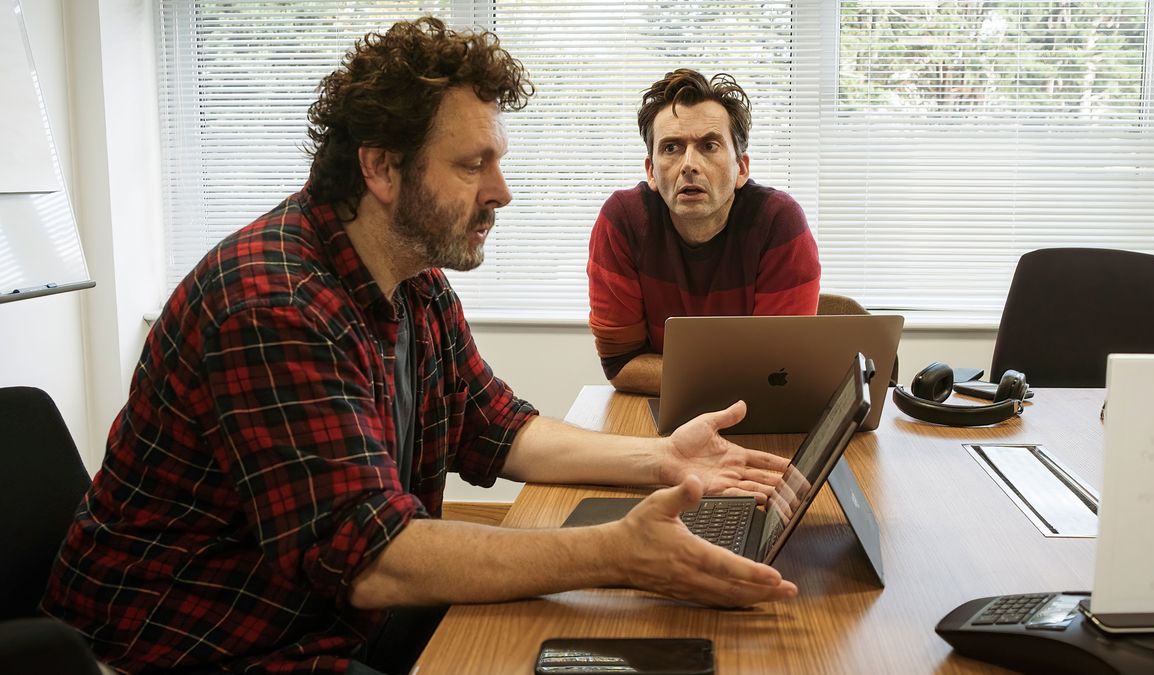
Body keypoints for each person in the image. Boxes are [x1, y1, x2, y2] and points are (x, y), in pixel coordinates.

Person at [39, 18, 798, 675]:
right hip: (196, 646)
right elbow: (373, 559)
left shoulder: (413, 280)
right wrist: (617, 554)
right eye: (474, 165)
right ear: (380, 167)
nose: (501, 192)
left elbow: (497, 425)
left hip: (322, 613)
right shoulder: (273, 306)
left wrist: (661, 458)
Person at [587, 69, 822, 395]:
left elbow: (777, 371)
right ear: (651, 172)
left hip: (754, 414)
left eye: (709, 145)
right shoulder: (623, 221)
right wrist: (738, 375)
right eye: (671, 148)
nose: (689, 164)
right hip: (661, 413)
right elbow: (622, 365)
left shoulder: (779, 222)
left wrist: (682, 375)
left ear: (741, 168)